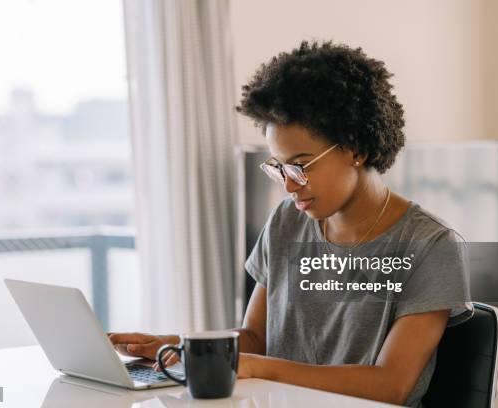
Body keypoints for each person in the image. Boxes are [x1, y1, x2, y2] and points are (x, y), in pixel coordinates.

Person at [109, 40, 473, 407]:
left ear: (356, 148)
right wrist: (179, 347)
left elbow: (391, 385)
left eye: (300, 165)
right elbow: (255, 338)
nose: (288, 184)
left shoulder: (431, 246)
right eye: (279, 167)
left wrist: (258, 368)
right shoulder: (287, 220)